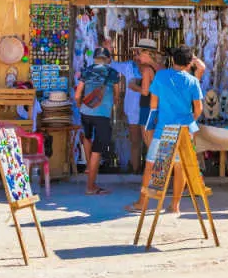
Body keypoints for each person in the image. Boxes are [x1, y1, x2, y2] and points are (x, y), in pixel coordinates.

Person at [127, 46, 203, 215]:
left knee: (151, 165)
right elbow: (198, 109)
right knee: (180, 167)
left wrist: (152, 124)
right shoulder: (192, 81)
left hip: (163, 129)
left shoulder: (161, 76)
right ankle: (175, 205)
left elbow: (153, 104)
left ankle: (142, 202)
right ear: (189, 63)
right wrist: (190, 121)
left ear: (173, 60)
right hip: (184, 129)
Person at [75, 47, 121, 195]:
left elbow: (77, 95)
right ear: (108, 59)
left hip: (85, 112)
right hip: (102, 114)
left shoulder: (86, 71)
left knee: (87, 137)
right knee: (98, 150)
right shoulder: (112, 73)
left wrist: (81, 106)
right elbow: (116, 96)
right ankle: (91, 186)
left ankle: (89, 165)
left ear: (94, 58)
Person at [110, 46, 144, 174]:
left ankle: (149, 171)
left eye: (138, 53)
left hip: (149, 108)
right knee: (135, 141)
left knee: (150, 141)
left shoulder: (152, 68)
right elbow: (112, 64)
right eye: (134, 53)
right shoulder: (129, 66)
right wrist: (109, 50)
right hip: (133, 109)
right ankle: (136, 170)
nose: (136, 56)